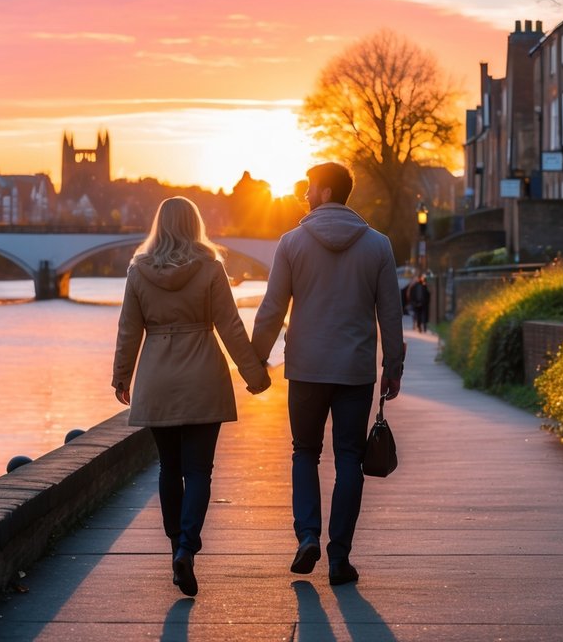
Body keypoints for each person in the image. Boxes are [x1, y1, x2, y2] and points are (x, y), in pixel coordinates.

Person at [252, 162, 405, 586]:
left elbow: (271, 310)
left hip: (306, 368)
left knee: (304, 451)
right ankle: (339, 558)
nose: (303, 194)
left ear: (323, 191)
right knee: (349, 460)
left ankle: (307, 535)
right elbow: (390, 314)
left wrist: (254, 363)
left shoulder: (291, 244)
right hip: (355, 371)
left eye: (308, 188)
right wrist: (393, 367)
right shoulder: (378, 245)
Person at [112, 196, 271, 598]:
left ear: (158, 226)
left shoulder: (138, 272)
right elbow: (231, 326)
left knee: (169, 469)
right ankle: (187, 547)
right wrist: (254, 375)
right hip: (202, 375)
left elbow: (129, 330)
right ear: (195, 225)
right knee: (199, 471)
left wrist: (121, 377)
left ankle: (175, 552)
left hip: (157, 380)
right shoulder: (211, 269)